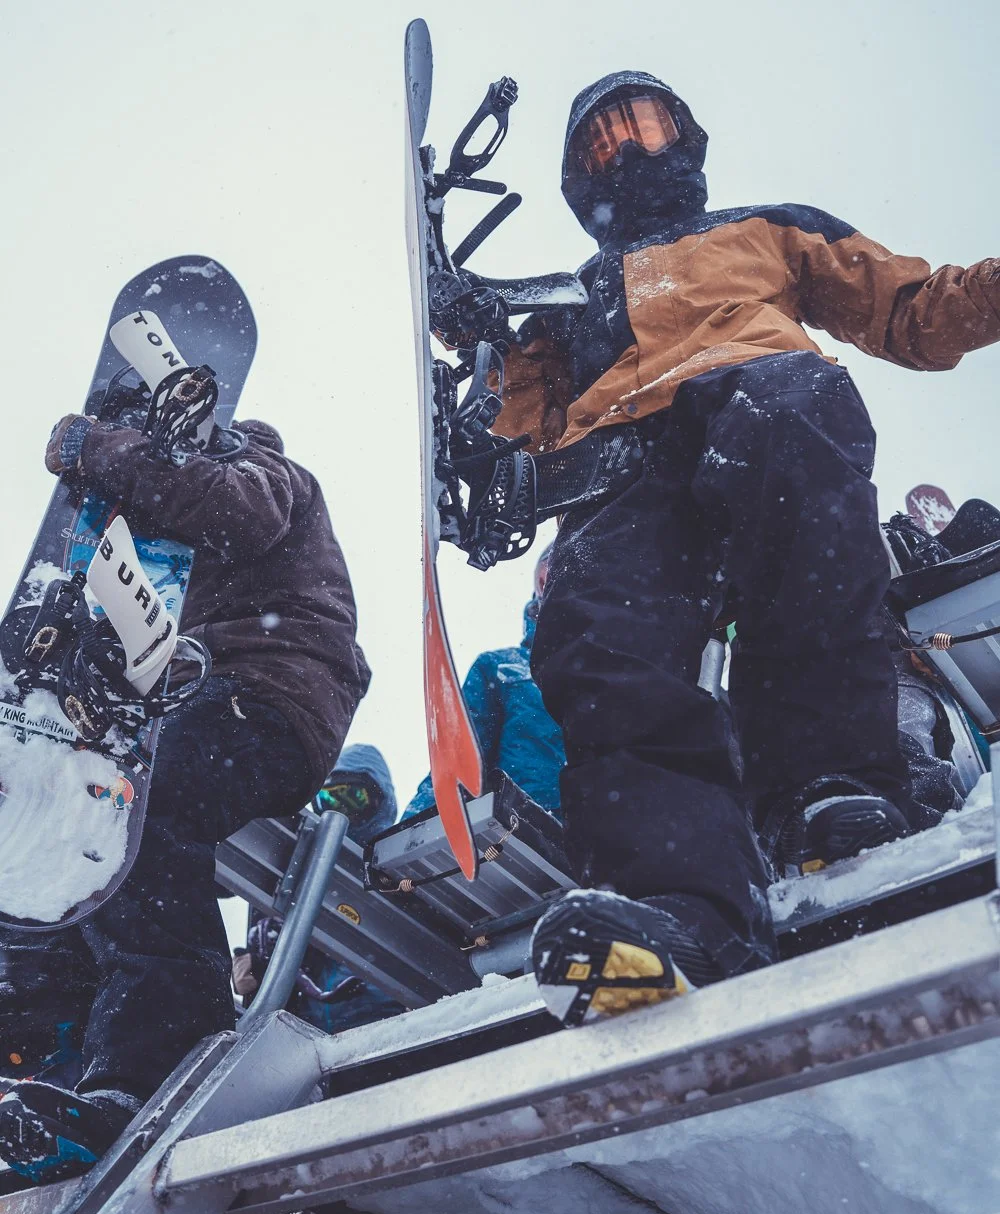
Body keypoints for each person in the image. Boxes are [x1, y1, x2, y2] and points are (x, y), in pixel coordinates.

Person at [443, 74, 1000, 1025]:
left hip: (754, 392)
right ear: (583, 180)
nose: (633, 151)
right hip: (622, 456)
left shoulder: (766, 230)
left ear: (686, 138)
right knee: (593, 625)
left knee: (795, 438)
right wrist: (476, 354)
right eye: (607, 143)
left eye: (647, 126)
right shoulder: (567, 305)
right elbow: (515, 430)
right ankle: (681, 899)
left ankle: (827, 786)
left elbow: (913, 309)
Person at [0, 412, 369, 1180]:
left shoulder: (268, 471)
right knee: (78, 847)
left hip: (269, 698)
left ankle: (160, 1067)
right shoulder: (186, 549)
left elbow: (236, 509)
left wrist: (105, 451)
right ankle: (66, 1061)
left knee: (136, 810)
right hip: (202, 698)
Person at [234, 742, 407, 1034]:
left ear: (380, 801)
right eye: (330, 798)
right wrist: (256, 968)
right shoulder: (296, 871)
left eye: (354, 798)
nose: (342, 812)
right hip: (306, 1038)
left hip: (384, 1032)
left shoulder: (396, 873)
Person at [404, 545, 565, 820]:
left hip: (598, 835)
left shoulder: (621, 677)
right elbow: (458, 758)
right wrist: (417, 826)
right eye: (549, 578)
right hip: (518, 829)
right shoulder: (502, 669)